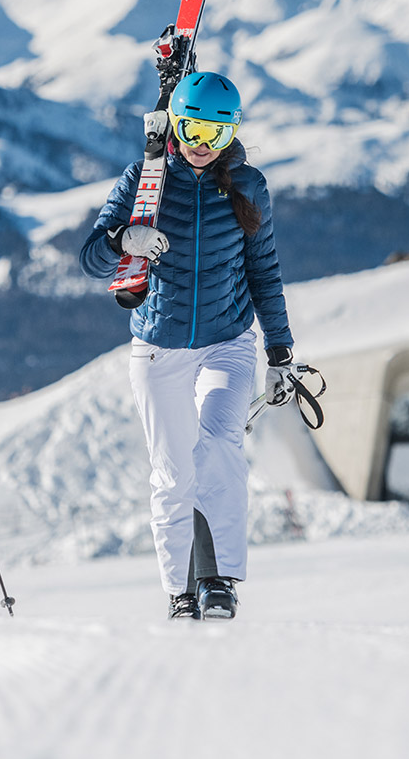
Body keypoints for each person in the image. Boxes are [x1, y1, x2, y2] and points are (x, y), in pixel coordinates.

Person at [80, 70, 297, 620]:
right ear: (175, 125)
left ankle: (219, 580)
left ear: (232, 136)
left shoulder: (249, 187)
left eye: (216, 135)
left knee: (221, 446)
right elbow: (89, 259)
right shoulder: (144, 178)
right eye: (193, 130)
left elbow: (264, 271)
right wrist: (121, 240)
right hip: (160, 346)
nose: (202, 146)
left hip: (227, 340)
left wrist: (280, 352)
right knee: (173, 470)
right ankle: (179, 590)